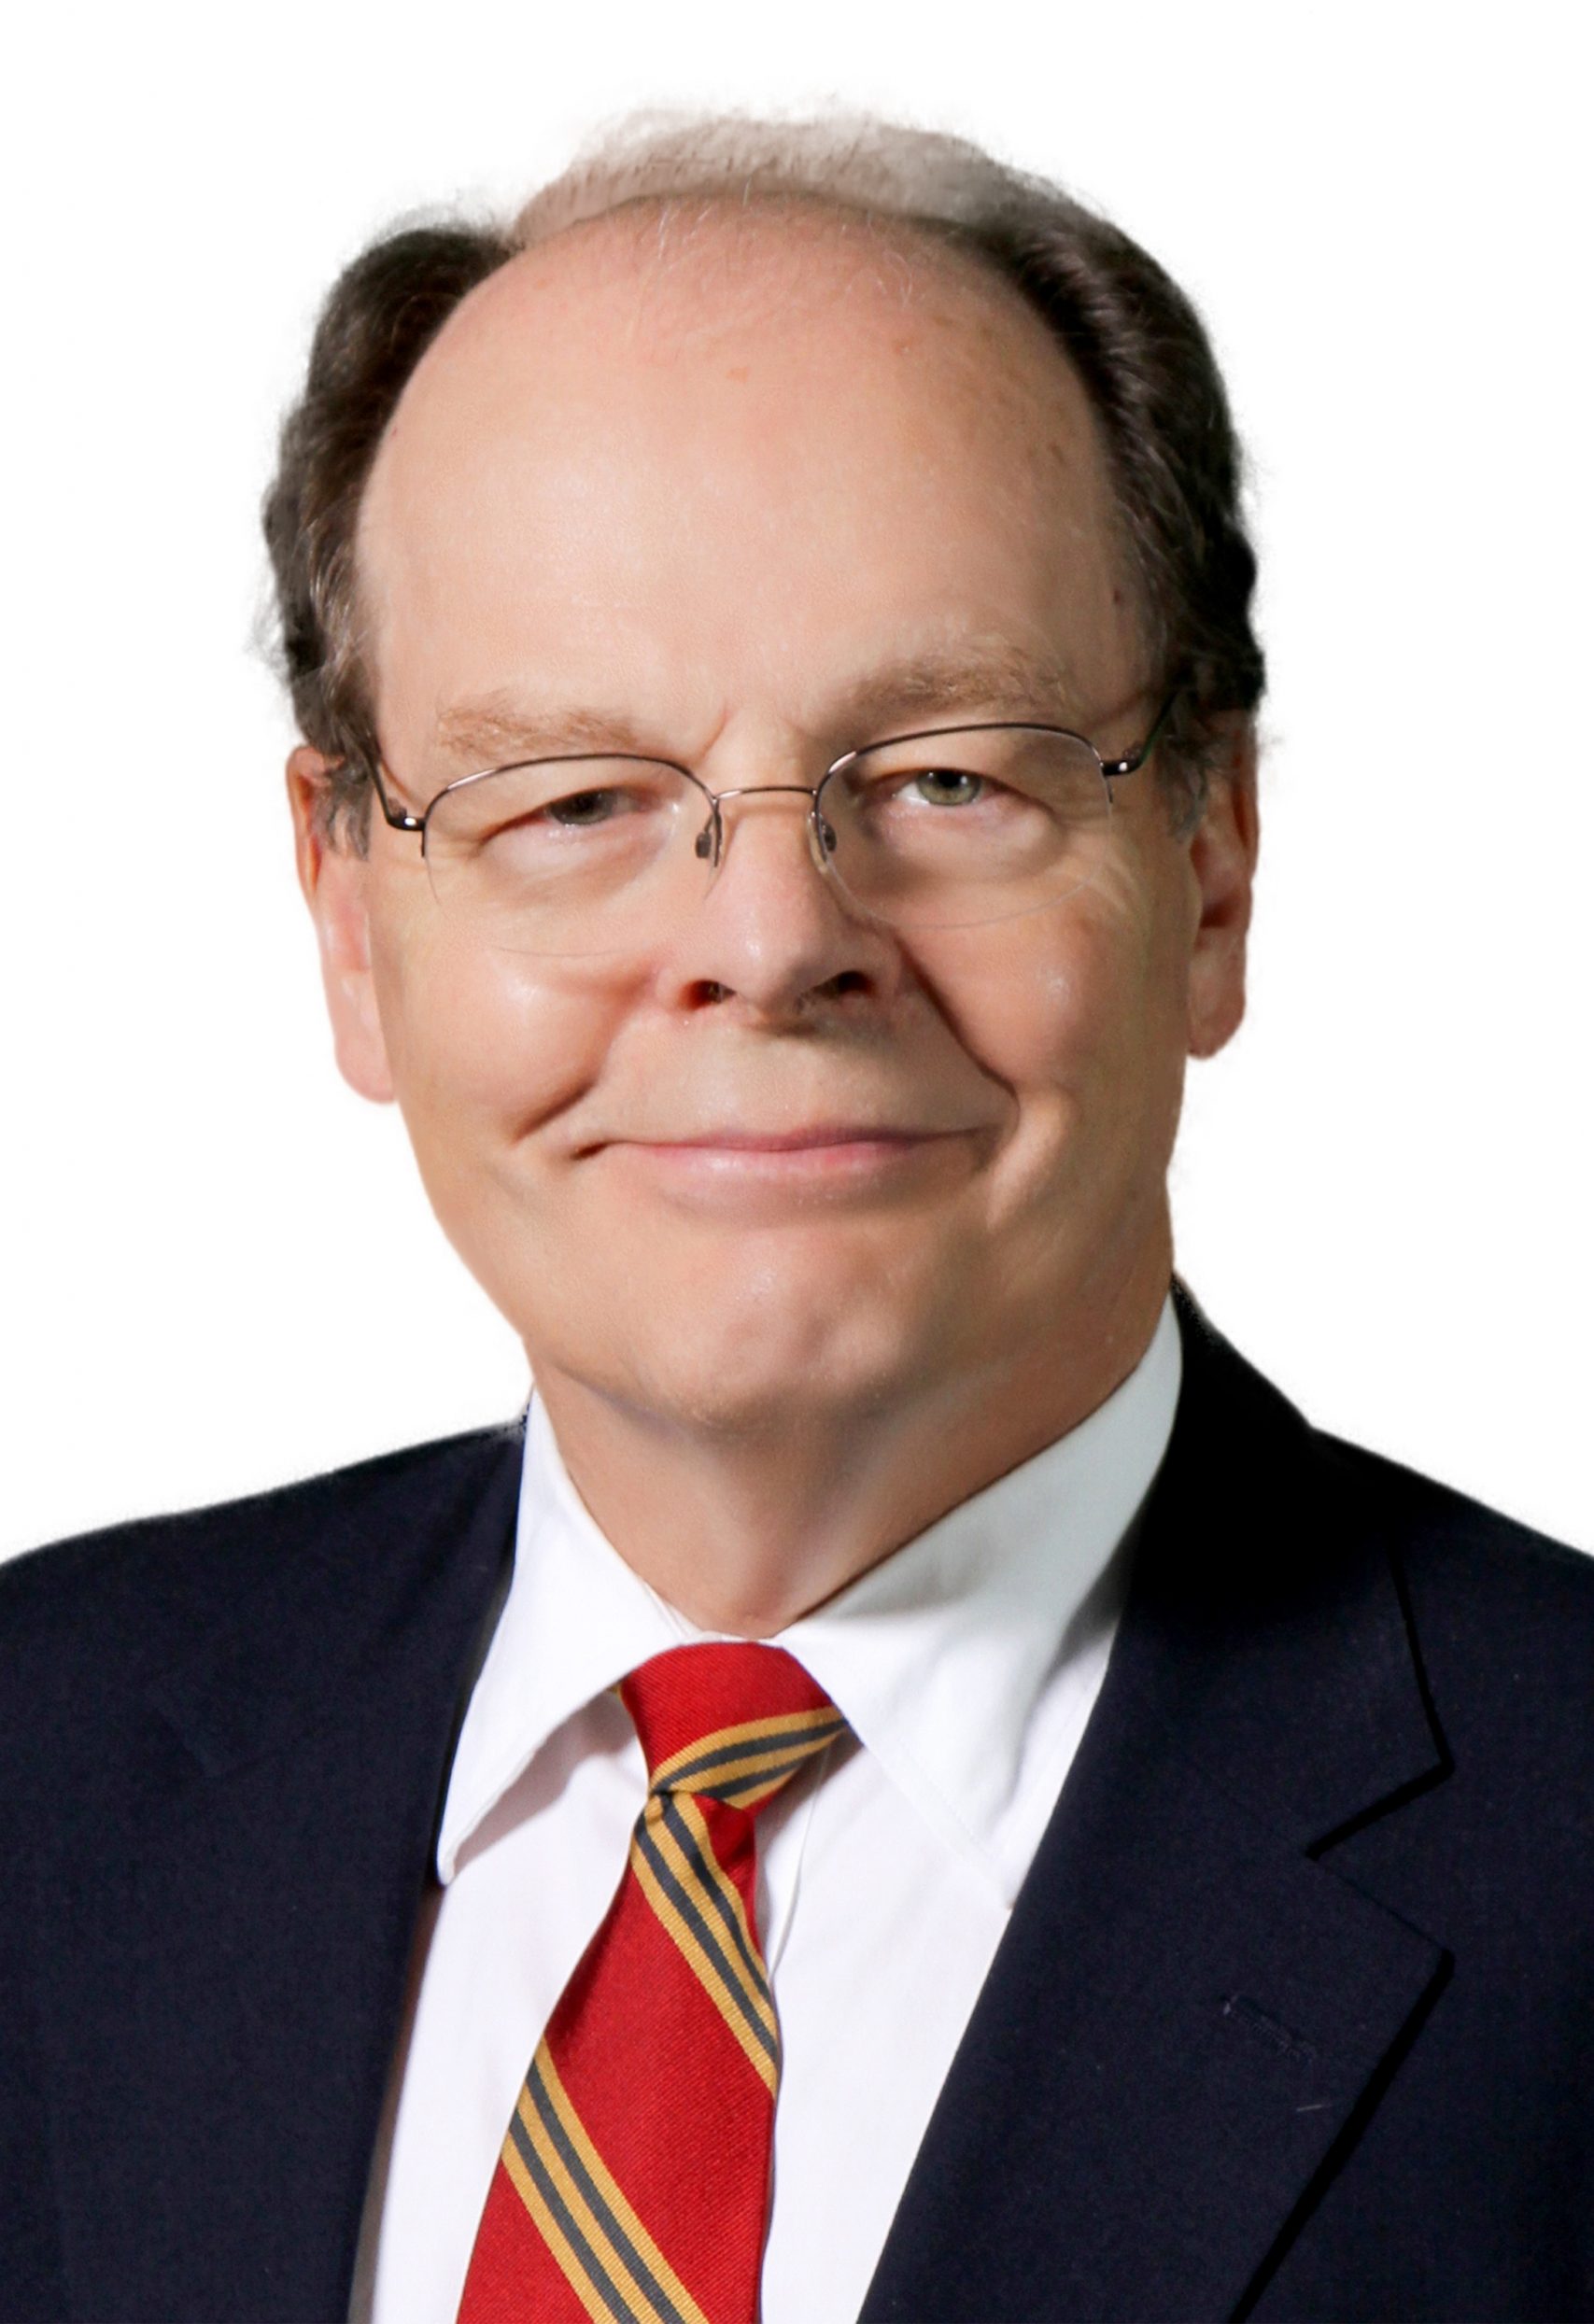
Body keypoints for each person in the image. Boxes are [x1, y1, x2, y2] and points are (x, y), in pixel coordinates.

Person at [2, 114, 1590, 2324]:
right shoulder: (39, 1763)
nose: (767, 938)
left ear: (1211, 865)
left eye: (948, 771)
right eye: (572, 799)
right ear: (350, 913)